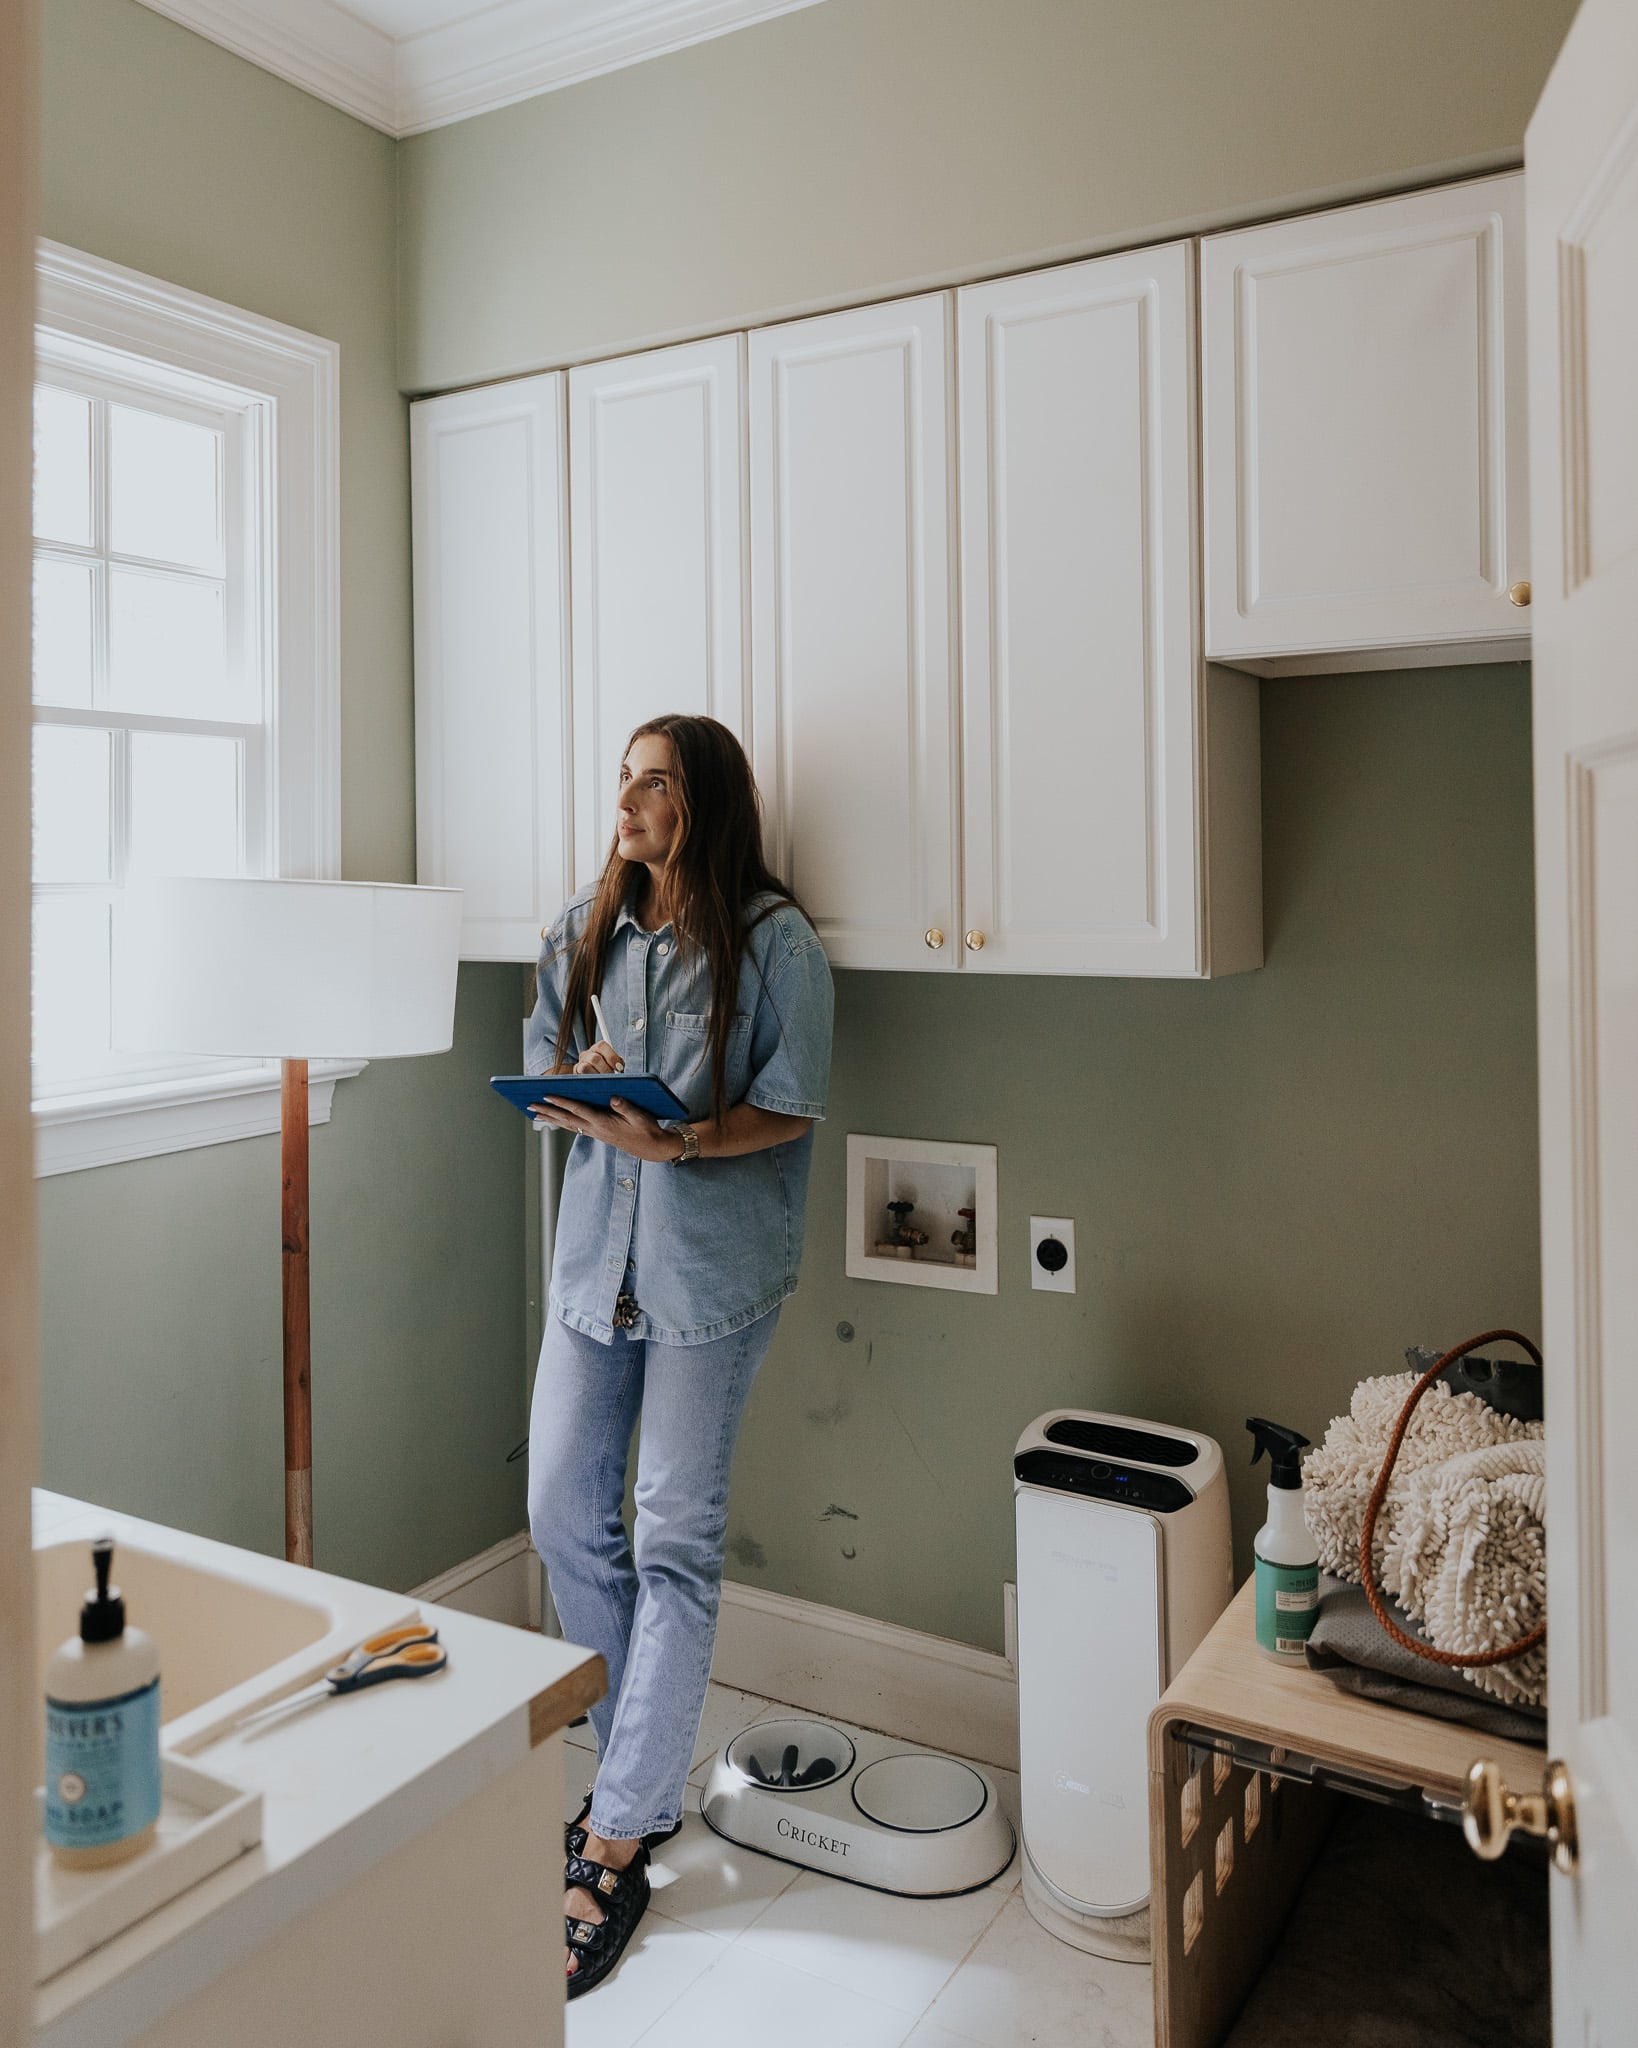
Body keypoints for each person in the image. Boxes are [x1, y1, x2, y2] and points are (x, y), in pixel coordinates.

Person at [524, 713, 834, 1998]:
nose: (629, 800)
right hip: (596, 1263)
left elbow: (793, 1100)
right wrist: (578, 1078)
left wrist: (681, 1141)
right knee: (556, 1508)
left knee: (671, 1536)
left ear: (702, 800)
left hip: (711, 1278)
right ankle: (639, 1777)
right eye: (623, 778)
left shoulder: (774, 943)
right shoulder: (582, 927)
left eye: (655, 780)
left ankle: (614, 1840)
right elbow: (536, 1058)